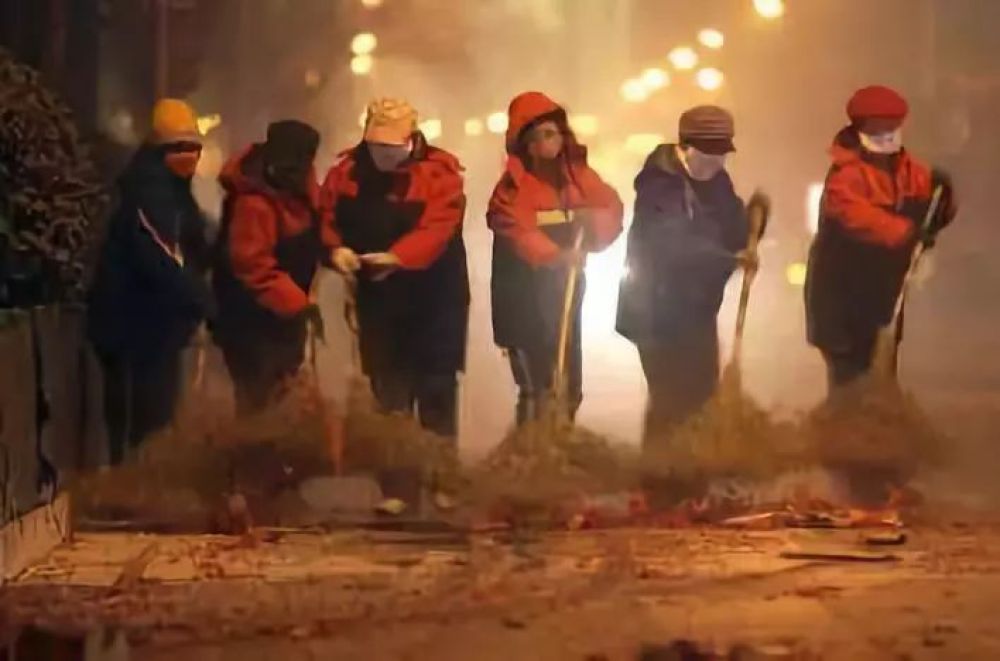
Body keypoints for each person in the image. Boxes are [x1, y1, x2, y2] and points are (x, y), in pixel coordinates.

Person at [616, 105, 766, 451]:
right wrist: (727, 258)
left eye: (721, 154)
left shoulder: (718, 183)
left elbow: (732, 231)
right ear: (685, 147)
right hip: (655, 312)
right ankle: (660, 467)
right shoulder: (659, 187)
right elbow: (673, 245)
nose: (714, 162)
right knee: (671, 399)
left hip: (697, 310)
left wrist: (753, 225)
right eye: (707, 154)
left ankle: (694, 466)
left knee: (703, 394)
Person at [321, 98, 469, 438]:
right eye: (377, 146)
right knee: (387, 392)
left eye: (392, 147)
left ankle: (438, 464)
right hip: (378, 303)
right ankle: (393, 464)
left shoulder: (439, 175)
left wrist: (399, 258)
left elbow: (438, 228)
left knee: (435, 389)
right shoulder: (345, 174)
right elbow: (327, 218)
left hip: (435, 301)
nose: (384, 154)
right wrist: (335, 250)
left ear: (411, 140)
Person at [806, 85, 956, 392]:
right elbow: (855, 216)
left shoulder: (909, 170)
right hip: (840, 291)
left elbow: (933, 205)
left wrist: (944, 202)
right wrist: (907, 233)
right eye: (878, 128)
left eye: (892, 126)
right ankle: (847, 418)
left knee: (882, 364)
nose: (886, 134)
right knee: (849, 371)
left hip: (883, 292)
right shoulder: (845, 174)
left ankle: (880, 416)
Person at [487, 91, 623, 426]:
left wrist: (593, 226)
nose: (546, 143)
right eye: (536, 138)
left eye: (551, 133)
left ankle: (562, 433)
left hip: (565, 289)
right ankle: (532, 440)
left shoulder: (578, 178)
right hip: (522, 293)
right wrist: (557, 256)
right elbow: (517, 230)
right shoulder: (512, 189)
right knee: (537, 381)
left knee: (567, 376)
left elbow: (610, 208)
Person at [88, 98, 212, 464]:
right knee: (144, 419)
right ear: (159, 150)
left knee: (156, 415)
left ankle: (143, 475)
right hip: (133, 327)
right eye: (179, 147)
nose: (189, 156)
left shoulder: (174, 190)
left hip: (156, 326)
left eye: (194, 147)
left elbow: (191, 244)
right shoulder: (148, 193)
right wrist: (204, 301)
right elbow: (161, 258)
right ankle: (134, 480)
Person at [212, 120, 327, 413]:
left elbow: (322, 219)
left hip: (285, 315)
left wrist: (335, 251)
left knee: (284, 393)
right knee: (259, 399)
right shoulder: (253, 202)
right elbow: (252, 264)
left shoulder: (301, 183)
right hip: (249, 318)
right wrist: (300, 305)